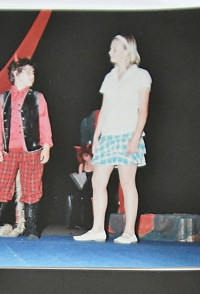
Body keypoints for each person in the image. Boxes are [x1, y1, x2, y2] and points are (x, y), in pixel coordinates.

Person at [74, 35, 151, 244]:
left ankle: (129, 232)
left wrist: (135, 138)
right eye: (110, 48)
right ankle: (98, 229)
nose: (110, 52)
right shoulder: (109, 77)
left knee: (127, 183)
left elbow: (143, 110)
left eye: (115, 49)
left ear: (127, 51)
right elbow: (105, 109)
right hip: (108, 136)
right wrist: (96, 136)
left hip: (128, 135)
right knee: (98, 181)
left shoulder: (141, 75)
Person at [0, 58, 53, 239]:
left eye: (33, 72)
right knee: (2, 186)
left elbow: (44, 123)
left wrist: (46, 146)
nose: (32, 75)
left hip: (32, 150)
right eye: (27, 71)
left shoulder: (38, 97)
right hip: (8, 150)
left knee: (32, 186)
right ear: (15, 73)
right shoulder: (2, 98)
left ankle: (31, 228)